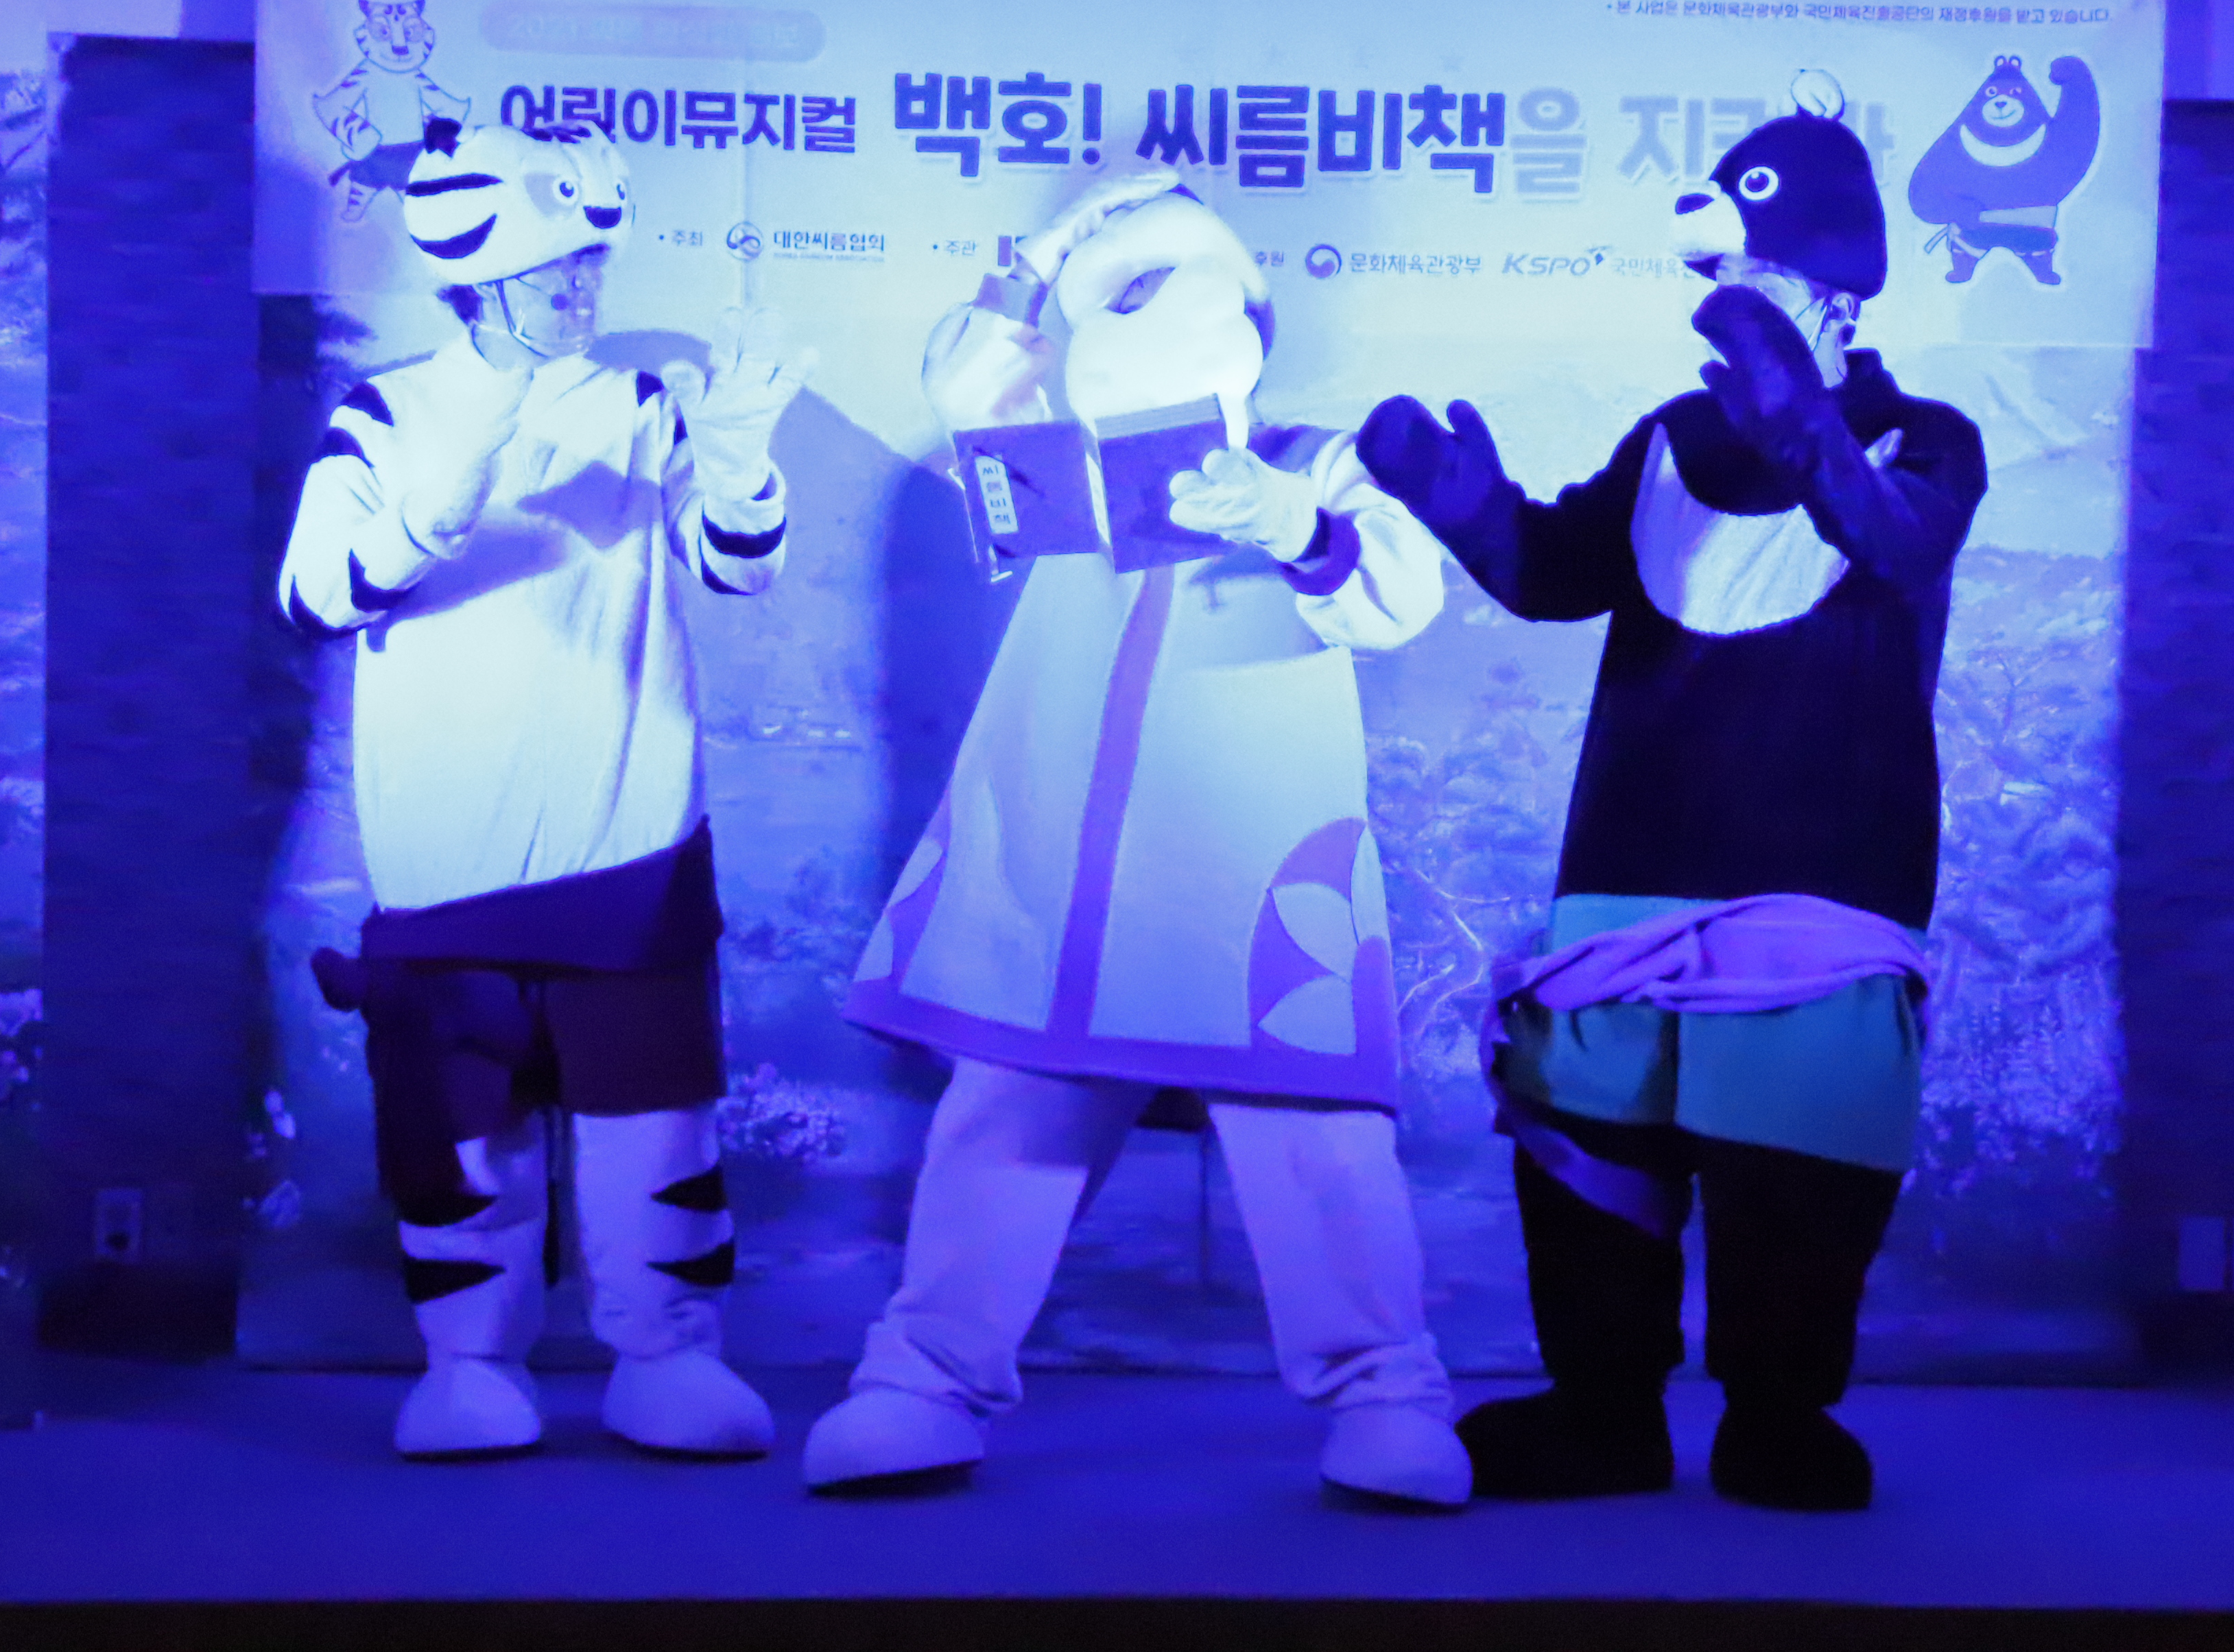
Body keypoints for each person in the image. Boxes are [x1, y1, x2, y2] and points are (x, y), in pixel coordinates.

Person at [1357, 84, 1986, 1511]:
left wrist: (1807, 429)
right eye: (1721, 288)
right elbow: (1557, 574)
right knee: (1596, 1151)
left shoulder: (1925, 436)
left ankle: (1776, 1415)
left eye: (1758, 284)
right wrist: (1463, 505)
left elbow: (1896, 544)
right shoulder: (1666, 437)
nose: (1727, 312)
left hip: (1822, 878)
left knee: (1795, 1170)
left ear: (1835, 287)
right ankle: (1604, 1414)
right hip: (1624, 876)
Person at [805, 165, 1471, 1508]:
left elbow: (1399, 598)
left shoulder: (1311, 458)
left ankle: (1384, 1391)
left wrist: (1304, 529)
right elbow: (964, 390)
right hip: (1061, 871)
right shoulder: (1065, 471)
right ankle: (923, 1376)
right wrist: (1023, 269)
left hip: (1249, 873)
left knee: (1315, 1140)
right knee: (1007, 1113)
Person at [280, 117, 801, 1461]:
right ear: (477, 273)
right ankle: (469, 1362)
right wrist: (433, 503)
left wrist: (738, 458)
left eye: (592, 264)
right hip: (443, 857)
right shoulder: (388, 413)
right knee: (465, 1128)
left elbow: (737, 564)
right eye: (557, 267)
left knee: (654, 1120)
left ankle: (667, 1354)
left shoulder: (635, 405)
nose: (584, 289)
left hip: (631, 844)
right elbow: (317, 592)